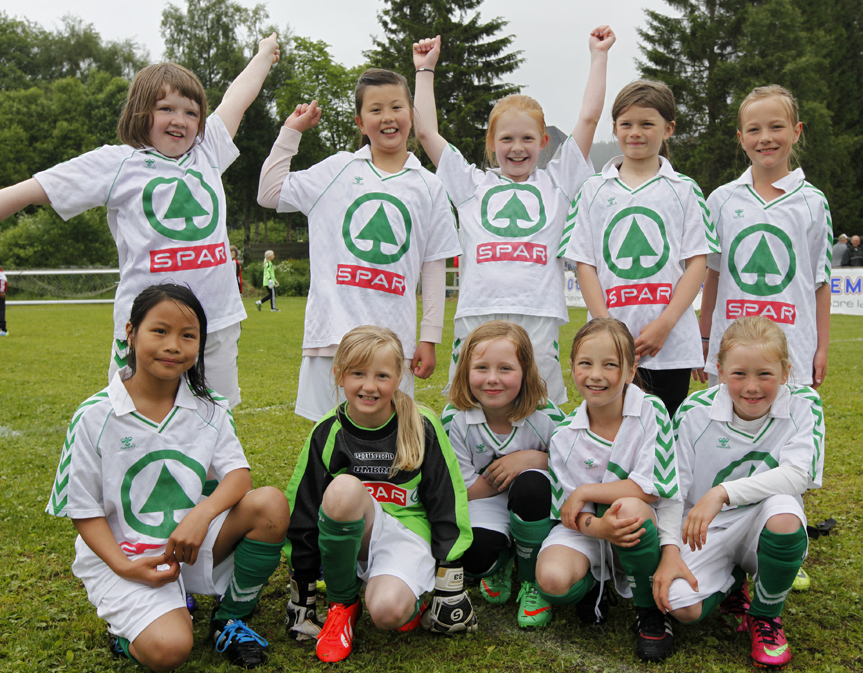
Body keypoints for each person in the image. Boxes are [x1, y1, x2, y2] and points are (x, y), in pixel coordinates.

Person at [0, 34, 283, 409]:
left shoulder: (208, 150)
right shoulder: (115, 163)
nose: (180, 121)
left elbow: (239, 96)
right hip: (149, 329)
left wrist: (264, 53)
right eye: (166, 108)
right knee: (131, 423)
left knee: (215, 422)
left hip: (214, 323)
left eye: (191, 112)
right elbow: (20, 193)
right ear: (140, 112)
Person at [45, 284, 290, 671]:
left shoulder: (209, 408)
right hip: (126, 555)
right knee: (170, 650)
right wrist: (124, 567)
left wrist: (201, 514)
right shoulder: (94, 416)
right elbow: (83, 510)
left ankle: (230, 617)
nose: (173, 345)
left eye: (187, 336)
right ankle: (127, 636)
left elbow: (239, 476)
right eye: (159, 331)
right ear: (130, 332)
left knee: (270, 504)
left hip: (189, 544)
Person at [412, 28, 614, 405]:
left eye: (527, 139)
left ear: (543, 142)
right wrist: (425, 71)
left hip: (538, 315)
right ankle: (468, 466)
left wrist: (598, 56)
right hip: (478, 314)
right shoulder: (471, 185)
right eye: (506, 139)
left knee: (539, 408)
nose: (517, 148)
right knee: (469, 406)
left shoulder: (559, 183)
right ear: (492, 143)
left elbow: (588, 119)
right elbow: (424, 132)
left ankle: (537, 465)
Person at [257, 69, 460, 422]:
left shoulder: (430, 187)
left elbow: (433, 264)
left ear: (411, 115)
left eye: (396, 107)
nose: (387, 118)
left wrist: (428, 337)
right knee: (328, 440)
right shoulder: (337, 169)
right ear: (360, 122)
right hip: (332, 336)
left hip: (393, 344)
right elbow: (269, 192)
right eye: (375, 109)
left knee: (387, 440)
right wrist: (291, 133)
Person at [283, 325, 476, 663]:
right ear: (339, 375)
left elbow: (448, 499)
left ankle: (411, 595)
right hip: (355, 535)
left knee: (387, 613)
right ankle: (342, 605)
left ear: (398, 377)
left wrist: (450, 577)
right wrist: (303, 585)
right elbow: (304, 505)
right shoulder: (329, 430)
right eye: (358, 373)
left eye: (382, 376)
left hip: (407, 535)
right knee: (342, 490)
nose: (369, 386)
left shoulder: (421, 424)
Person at [654, 316, 824, 669]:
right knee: (681, 606)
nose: (751, 387)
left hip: (762, 521)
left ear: (785, 370)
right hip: (705, 529)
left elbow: (797, 476)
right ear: (718, 370)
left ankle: (765, 617)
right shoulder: (694, 412)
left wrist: (721, 493)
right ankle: (732, 583)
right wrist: (670, 551)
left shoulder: (804, 402)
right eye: (738, 374)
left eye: (764, 374)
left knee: (784, 515)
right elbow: (673, 489)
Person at [563, 80, 717, 417]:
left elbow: (697, 263)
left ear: (669, 129)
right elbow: (584, 263)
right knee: (610, 430)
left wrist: (666, 323)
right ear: (614, 127)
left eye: (647, 124)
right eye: (626, 124)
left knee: (665, 430)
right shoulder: (592, 191)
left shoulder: (685, 190)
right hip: (608, 347)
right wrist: (607, 328)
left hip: (669, 344)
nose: (636, 132)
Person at [535, 318, 682, 661]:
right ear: (571, 367)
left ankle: (650, 614)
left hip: (643, 526)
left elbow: (650, 490)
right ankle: (593, 588)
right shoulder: (563, 435)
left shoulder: (651, 411)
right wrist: (597, 526)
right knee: (552, 580)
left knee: (629, 508)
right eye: (585, 363)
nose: (595, 375)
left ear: (631, 371)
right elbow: (570, 514)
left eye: (610, 365)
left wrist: (586, 492)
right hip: (590, 531)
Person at [698, 85, 832, 391]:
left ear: (796, 131)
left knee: (787, 434)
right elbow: (713, 273)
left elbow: (819, 282)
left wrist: (821, 347)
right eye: (754, 129)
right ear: (741, 138)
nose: (765, 138)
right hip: (730, 348)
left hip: (793, 346)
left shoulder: (813, 202)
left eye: (776, 127)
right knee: (729, 432)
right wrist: (705, 337)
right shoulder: (721, 200)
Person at [440, 320, 564, 628]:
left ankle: (531, 576)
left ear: (526, 371)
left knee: (531, 484)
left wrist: (531, 458)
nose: (492, 379)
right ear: (465, 371)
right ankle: (502, 557)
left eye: (506, 369)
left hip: (537, 504)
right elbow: (461, 489)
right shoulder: (454, 419)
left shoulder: (547, 416)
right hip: (484, 501)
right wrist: (504, 473)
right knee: (475, 558)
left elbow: (573, 467)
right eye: (481, 368)